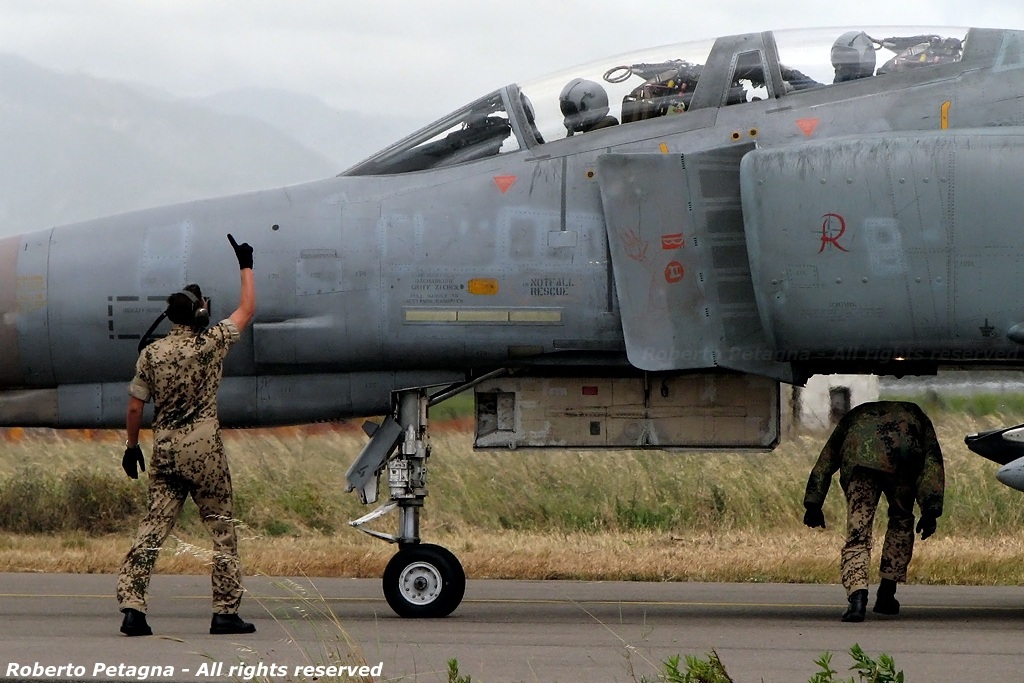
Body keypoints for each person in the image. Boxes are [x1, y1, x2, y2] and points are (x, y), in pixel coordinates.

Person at [117, 233, 256, 637]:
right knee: (221, 528)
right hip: (203, 449)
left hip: (164, 451)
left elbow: (134, 406)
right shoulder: (209, 344)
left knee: (153, 527)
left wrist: (131, 448)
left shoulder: (152, 354)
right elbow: (247, 309)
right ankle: (225, 612)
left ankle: (132, 609)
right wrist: (246, 264)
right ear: (198, 316)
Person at [802, 400, 944, 623]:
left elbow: (827, 459)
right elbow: (932, 463)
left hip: (860, 464)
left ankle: (857, 600)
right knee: (901, 521)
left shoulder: (857, 415)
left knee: (858, 533)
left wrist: (813, 502)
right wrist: (930, 509)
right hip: (902, 462)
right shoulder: (916, 415)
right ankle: (887, 594)